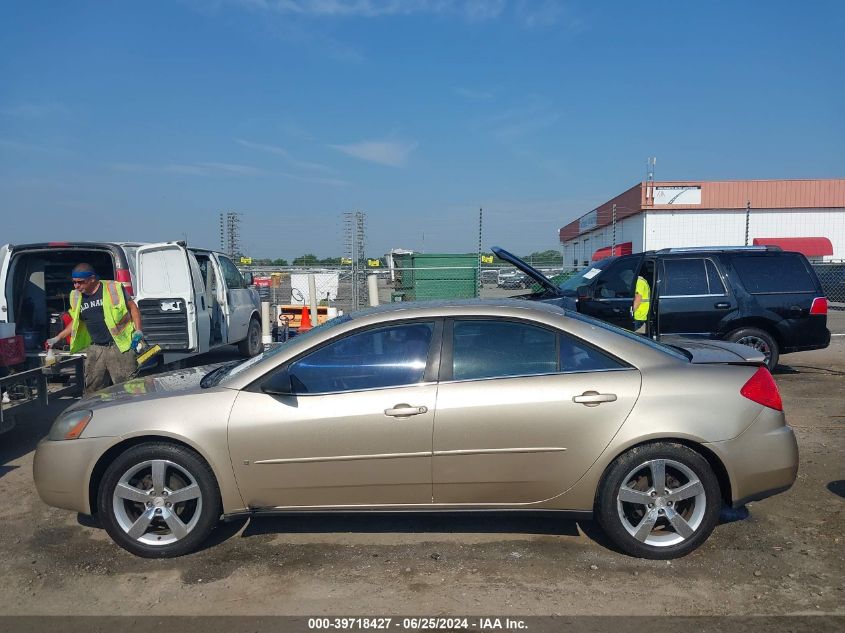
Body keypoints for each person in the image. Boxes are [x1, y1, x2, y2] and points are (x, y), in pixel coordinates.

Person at [46, 264, 143, 394]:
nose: (76, 286)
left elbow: (133, 307)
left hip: (120, 347)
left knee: (128, 388)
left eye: (80, 282)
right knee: (93, 391)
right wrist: (57, 338)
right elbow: (75, 323)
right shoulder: (76, 296)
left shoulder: (113, 288)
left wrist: (138, 330)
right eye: (74, 282)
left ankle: (131, 412)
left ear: (92, 279)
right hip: (96, 350)